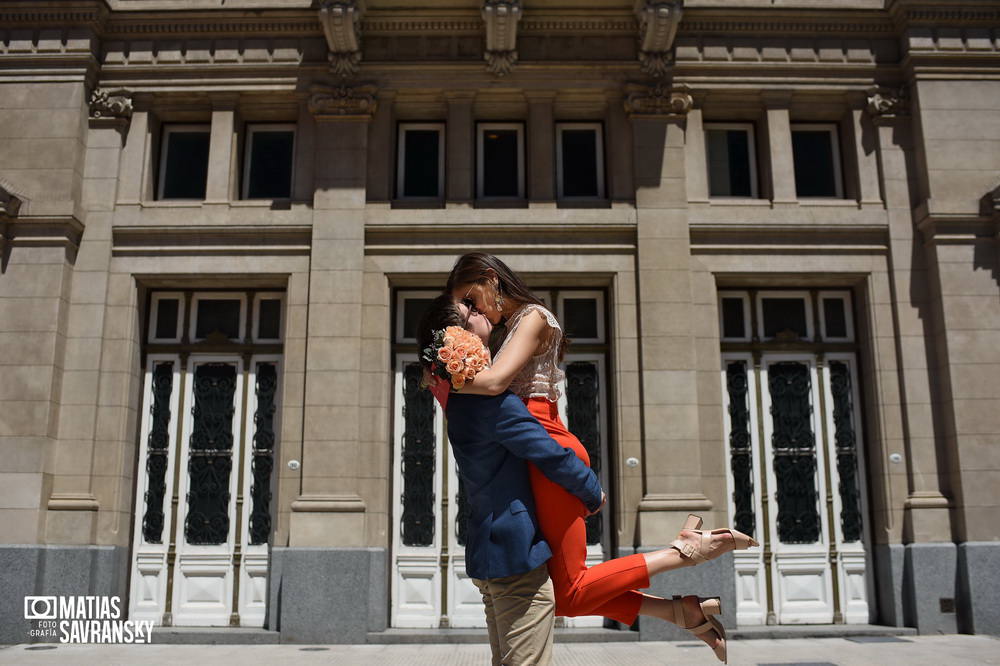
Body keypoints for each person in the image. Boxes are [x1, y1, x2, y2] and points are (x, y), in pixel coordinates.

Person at [443, 252, 759, 663]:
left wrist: (448, 378)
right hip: (535, 444)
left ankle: (684, 551)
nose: (473, 310)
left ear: (490, 278)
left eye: (471, 298)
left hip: (545, 445)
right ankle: (679, 611)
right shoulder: (510, 329)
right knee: (569, 597)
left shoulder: (533, 316)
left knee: (570, 592)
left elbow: (497, 382)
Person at [416, 294, 606, 666]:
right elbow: (545, 451)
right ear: (458, 335)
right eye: (470, 309)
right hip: (515, 560)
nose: (481, 310)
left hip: (491, 553)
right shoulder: (490, 400)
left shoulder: (460, 397)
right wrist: (591, 490)